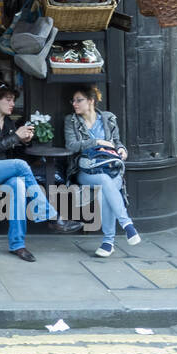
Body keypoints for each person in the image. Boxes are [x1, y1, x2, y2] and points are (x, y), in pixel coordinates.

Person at [0, 81, 82, 261]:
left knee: (18, 185)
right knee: (19, 166)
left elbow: (14, 154)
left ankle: (17, 245)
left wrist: (24, 141)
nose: (12, 104)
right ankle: (51, 216)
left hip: (0, 172)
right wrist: (15, 136)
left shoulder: (9, 122)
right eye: (8, 100)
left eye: (13, 100)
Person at [65, 84, 140, 257]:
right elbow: (71, 146)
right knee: (105, 182)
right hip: (85, 171)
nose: (74, 104)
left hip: (109, 168)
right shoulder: (71, 120)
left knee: (103, 191)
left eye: (79, 100)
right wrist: (97, 142)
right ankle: (126, 224)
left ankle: (108, 242)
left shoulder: (108, 118)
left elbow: (117, 142)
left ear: (91, 101)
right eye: (73, 100)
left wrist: (123, 150)